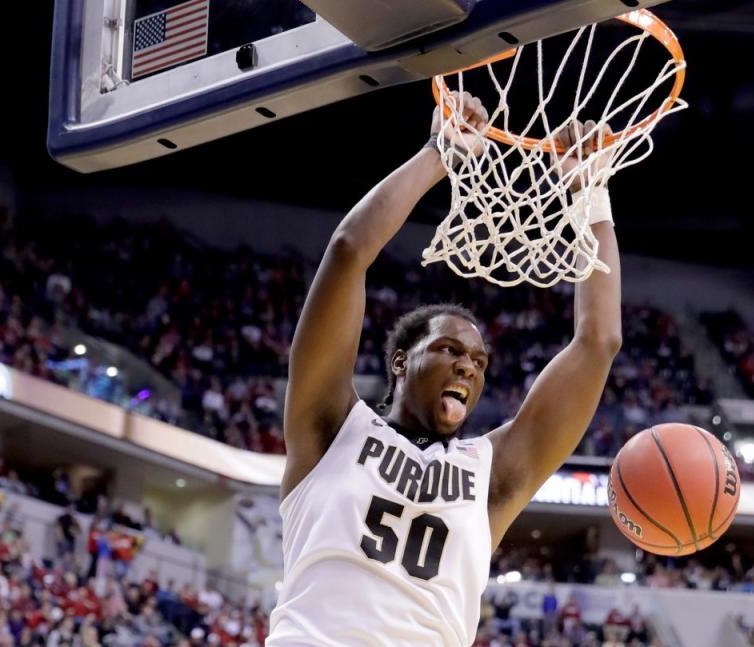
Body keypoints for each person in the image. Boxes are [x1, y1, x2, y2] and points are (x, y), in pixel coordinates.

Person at [266, 92, 623, 646]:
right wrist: (443, 150)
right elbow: (347, 250)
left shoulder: (492, 473)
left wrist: (591, 196)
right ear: (402, 361)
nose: (469, 367)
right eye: (451, 351)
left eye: (479, 362)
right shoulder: (330, 426)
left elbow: (598, 342)